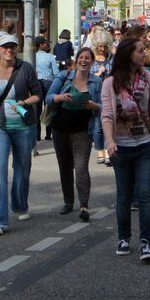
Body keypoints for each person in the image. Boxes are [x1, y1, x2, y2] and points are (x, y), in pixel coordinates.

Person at [101, 38, 150, 263]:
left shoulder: (147, 77)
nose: (144, 53)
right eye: (140, 50)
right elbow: (107, 115)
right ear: (128, 54)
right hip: (121, 147)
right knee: (124, 196)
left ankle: (147, 243)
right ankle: (124, 238)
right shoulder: (110, 83)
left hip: (145, 144)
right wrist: (109, 141)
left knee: (145, 195)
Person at [0, 34, 40, 235]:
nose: (9, 50)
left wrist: (24, 102)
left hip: (24, 125)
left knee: (22, 168)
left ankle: (20, 204)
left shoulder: (26, 68)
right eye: (5, 47)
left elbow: (38, 94)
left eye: (12, 47)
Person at [46, 47, 102, 221]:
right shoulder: (64, 76)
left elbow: (102, 107)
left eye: (87, 58)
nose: (83, 61)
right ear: (76, 60)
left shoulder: (97, 82)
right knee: (65, 167)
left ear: (92, 62)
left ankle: (84, 205)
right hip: (60, 129)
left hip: (82, 131)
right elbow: (48, 97)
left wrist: (93, 106)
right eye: (81, 57)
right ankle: (68, 202)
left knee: (81, 168)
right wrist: (59, 97)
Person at [90, 33, 114, 164]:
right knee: (98, 125)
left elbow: (116, 73)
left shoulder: (111, 58)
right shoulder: (91, 58)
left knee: (108, 122)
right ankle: (100, 151)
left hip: (109, 93)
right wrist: (98, 73)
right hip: (95, 94)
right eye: (100, 46)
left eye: (105, 47)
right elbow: (86, 75)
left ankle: (107, 151)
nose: (103, 49)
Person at [34, 36, 60, 141]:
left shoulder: (32, 56)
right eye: (45, 43)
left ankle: (37, 135)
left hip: (36, 83)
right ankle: (48, 134)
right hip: (48, 83)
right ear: (40, 45)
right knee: (49, 107)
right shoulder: (50, 57)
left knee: (37, 109)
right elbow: (56, 73)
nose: (47, 45)